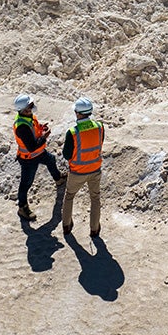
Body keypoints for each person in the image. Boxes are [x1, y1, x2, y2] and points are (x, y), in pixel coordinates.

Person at [12, 93, 66, 221]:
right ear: (24, 109)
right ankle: (22, 208)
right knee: (26, 184)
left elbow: (33, 131)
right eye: (30, 106)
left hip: (38, 153)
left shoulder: (28, 117)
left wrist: (41, 128)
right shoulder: (22, 127)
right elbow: (32, 146)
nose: (32, 107)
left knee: (51, 160)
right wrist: (44, 137)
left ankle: (58, 179)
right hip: (28, 159)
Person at [62, 96, 105, 237]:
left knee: (69, 197)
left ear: (78, 113)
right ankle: (94, 229)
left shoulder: (73, 133)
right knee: (95, 198)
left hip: (77, 172)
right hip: (95, 170)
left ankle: (67, 226)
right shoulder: (100, 127)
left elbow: (67, 155)